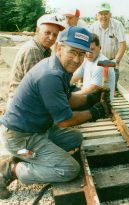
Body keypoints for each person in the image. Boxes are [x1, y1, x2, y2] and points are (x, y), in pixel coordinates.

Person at [0, 26, 111, 199]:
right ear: (59, 48)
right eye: (72, 52)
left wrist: (91, 99)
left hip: (37, 129)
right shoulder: (50, 75)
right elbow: (65, 121)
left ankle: (28, 157)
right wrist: (95, 112)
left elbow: (66, 100)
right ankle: (11, 170)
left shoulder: (60, 67)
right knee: (69, 169)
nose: (76, 59)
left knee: (76, 138)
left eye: (82, 54)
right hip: (20, 137)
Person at [7, 14, 65, 108]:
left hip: (25, 100)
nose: (51, 38)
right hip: (20, 105)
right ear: (37, 31)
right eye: (47, 33)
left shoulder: (45, 50)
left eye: (55, 35)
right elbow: (38, 86)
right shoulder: (33, 50)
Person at [89, 1, 126, 94]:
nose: (103, 16)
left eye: (106, 14)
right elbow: (88, 45)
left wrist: (116, 60)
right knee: (96, 88)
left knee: (111, 89)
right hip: (97, 60)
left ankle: (113, 90)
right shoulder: (93, 27)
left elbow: (123, 44)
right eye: (101, 14)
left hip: (112, 60)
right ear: (97, 15)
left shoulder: (117, 25)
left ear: (110, 14)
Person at [71, 33, 115, 101]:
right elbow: (75, 76)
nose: (88, 53)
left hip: (98, 101)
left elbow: (93, 89)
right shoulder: (87, 59)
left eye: (92, 49)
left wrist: (71, 96)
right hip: (88, 94)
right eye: (86, 49)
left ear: (99, 47)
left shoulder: (102, 63)